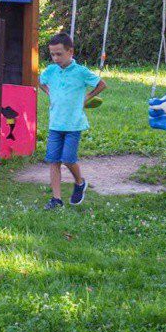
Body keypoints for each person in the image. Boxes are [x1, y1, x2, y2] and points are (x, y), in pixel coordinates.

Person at [39, 32, 106, 209]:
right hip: (55, 124)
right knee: (53, 161)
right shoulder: (51, 70)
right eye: (52, 54)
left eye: (59, 54)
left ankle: (79, 182)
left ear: (70, 52)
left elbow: (102, 84)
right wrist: (48, 91)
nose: (55, 58)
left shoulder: (81, 72)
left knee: (68, 159)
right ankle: (56, 199)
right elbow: (40, 81)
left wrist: (88, 96)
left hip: (73, 124)